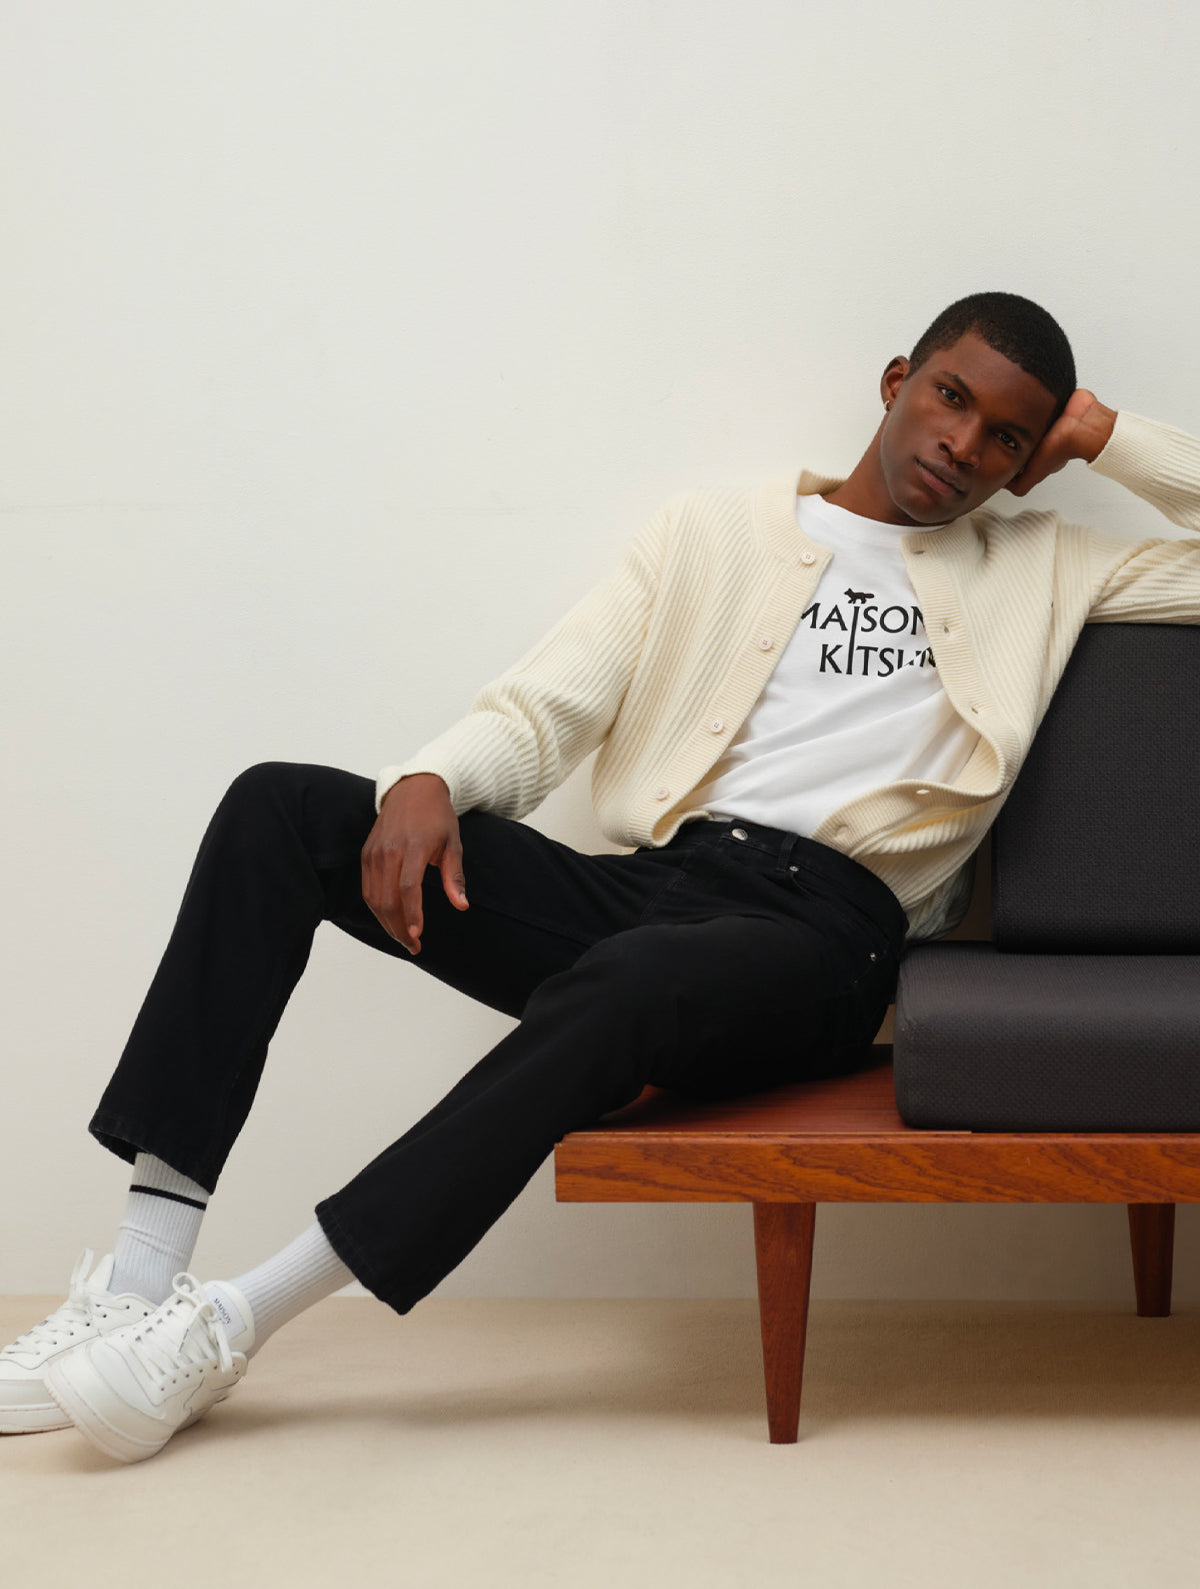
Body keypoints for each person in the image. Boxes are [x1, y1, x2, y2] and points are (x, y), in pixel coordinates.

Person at [5, 291, 1200, 1464]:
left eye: (1008, 436)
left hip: (828, 935)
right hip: (659, 882)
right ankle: (139, 1283)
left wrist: (1104, 435)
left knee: (633, 977)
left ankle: (230, 1325)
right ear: (897, 381)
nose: (964, 442)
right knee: (280, 808)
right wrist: (429, 778)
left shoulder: (1049, 567)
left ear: (1028, 461)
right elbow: (552, 702)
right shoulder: (714, 532)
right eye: (950, 397)